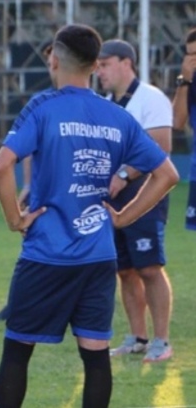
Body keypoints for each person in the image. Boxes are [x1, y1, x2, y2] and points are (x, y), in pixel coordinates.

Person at [0, 23, 179, 408]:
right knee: (94, 355)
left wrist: (14, 218)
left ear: (54, 60)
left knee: (17, 351)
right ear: (95, 65)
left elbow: (1, 165)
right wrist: (123, 217)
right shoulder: (117, 116)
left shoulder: (43, 107)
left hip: (46, 252)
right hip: (97, 255)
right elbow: (168, 175)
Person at [95, 39, 174, 363]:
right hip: (112, 196)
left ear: (126, 62)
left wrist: (124, 174)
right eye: (97, 65)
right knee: (124, 270)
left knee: (150, 268)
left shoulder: (150, 98)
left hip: (145, 193)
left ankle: (162, 341)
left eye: (105, 64)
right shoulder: (104, 102)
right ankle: (137, 337)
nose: (99, 71)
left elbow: (162, 143)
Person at [172, 27, 196, 231]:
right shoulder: (190, 83)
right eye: (189, 54)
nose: (193, 60)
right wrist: (184, 80)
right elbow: (177, 122)